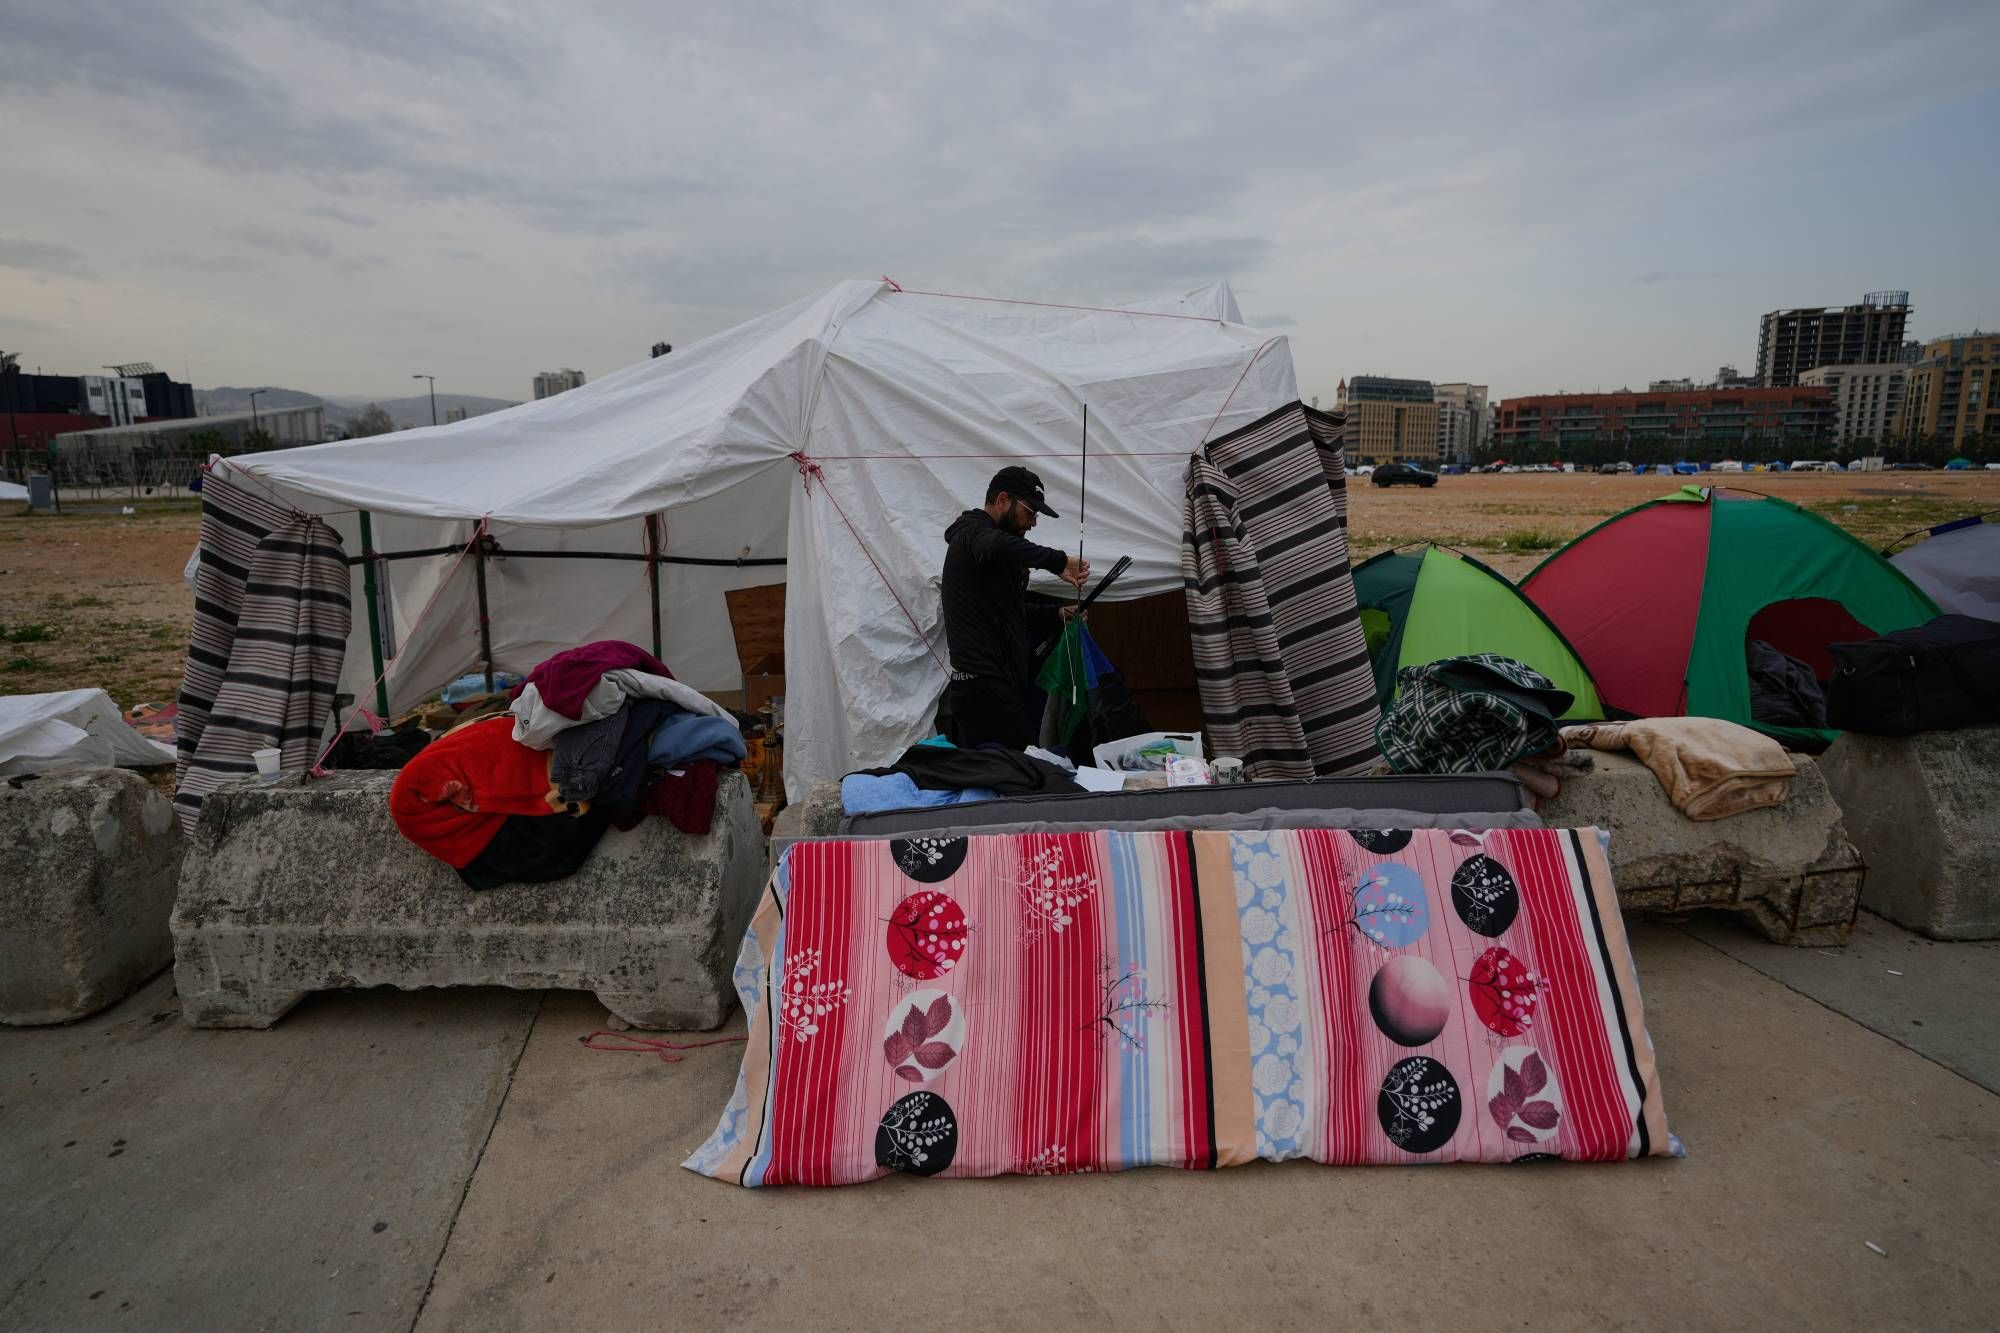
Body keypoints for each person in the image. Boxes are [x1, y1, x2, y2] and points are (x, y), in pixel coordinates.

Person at [941, 465, 1088, 749]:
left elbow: (1011, 611)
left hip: (999, 688)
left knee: (1014, 767)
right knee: (1020, 769)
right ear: (1002, 500)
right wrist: (1057, 561)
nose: (1032, 523)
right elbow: (997, 544)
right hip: (983, 691)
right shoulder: (973, 532)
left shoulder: (993, 551)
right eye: (1029, 512)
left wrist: (1057, 613)